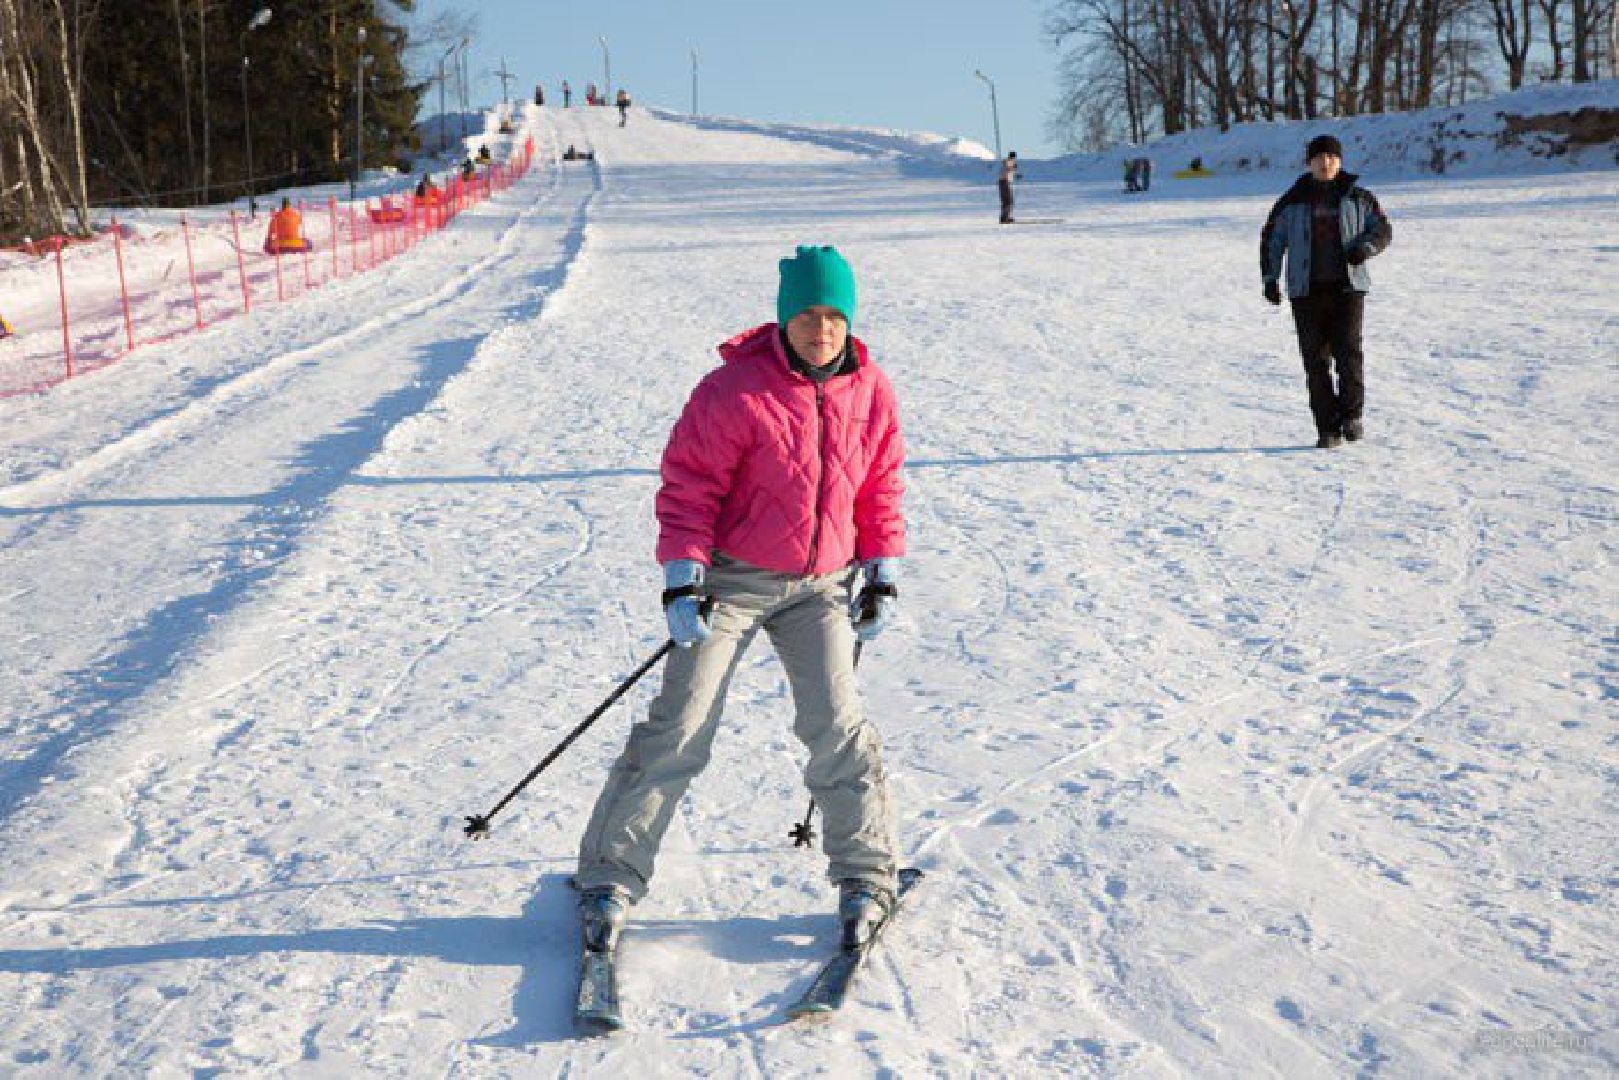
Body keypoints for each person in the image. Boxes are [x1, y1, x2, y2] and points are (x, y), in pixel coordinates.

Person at [575, 244, 908, 954]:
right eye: (808, 314)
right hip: (731, 581)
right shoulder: (730, 392)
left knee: (837, 726)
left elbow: (878, 485)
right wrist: (682, 578)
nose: (822, 328)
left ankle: (866, 876)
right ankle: (609, 877)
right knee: (681, 725)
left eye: (834, 315)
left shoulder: (869, 388)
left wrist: (879, 568)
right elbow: (688, 490)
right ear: (784, 317)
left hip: (821, 586)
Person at [1261, 134, 1394, 448]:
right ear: (1309, 163)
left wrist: (1366, 248)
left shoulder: (1359, 197)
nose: (1326, 162)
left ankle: (1351, 416)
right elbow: (1272, 238)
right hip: (1306, 292)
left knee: (1348, 354)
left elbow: (1383, 229)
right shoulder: (1291, 200)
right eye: (1319, 157)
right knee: (1315, 362)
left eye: (1332, 157)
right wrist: (1270, 278)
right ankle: (1327, 428)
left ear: (1340, 161)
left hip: (1347, 289)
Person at [998, 151, 1019, 224]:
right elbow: (1007, 169)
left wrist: (1015, 175)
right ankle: (1005, 218)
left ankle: (1004, 217)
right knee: (1009, 201)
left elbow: (1008, 171)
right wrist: (1013, 168)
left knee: (1006, 201)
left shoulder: (1008, 162)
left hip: (1003, 182)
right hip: (1005, 182)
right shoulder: (1009, 162)